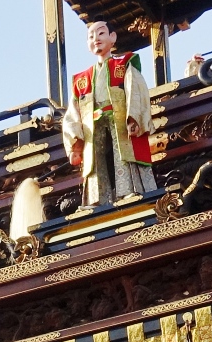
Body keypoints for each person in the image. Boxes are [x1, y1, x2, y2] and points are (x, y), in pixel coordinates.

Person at [61, 22, 159, 209]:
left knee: (122, 151)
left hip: (119, 117)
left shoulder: (124, 63)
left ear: (113, 37)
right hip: (93, 122)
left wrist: (133, 117)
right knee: (94, 156)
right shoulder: (82, 78)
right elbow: (73, 111)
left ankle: (128, 190)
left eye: (101, 33)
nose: (95, 39)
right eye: (91, 36)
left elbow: (135, 89)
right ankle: (97, 198)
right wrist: (74, 142)